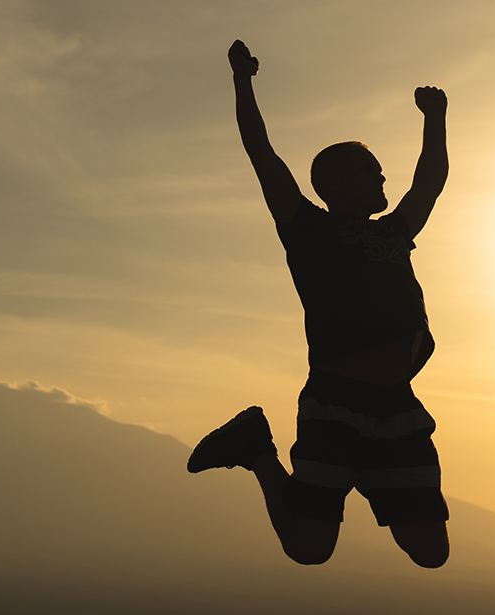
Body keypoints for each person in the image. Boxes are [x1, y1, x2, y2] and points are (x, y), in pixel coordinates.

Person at [187, 40, 450, 568]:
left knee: (431, 553)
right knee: (309, 549)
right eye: (368, 169)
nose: (381, 177)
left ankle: (309, 463)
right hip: (335, 403)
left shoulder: (396, 232)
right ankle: (256, 450)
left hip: (399, 406)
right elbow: (260, 151)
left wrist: (435, 119)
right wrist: (242, 80)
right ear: (331, 183)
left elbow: (431, 181)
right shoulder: (308, 229)